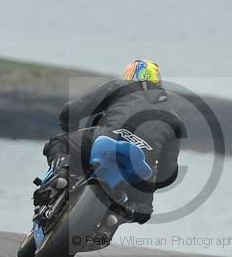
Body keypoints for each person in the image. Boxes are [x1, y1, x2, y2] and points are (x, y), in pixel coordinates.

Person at [35, 59, 183, 224]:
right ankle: (114, 220)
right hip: (139, 168)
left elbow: (74, 109)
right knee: (142, 209)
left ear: (132, 74)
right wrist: (152, 185)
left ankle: (62, 173)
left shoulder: (120, 87)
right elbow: (168, 171)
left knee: (60, 143)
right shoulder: (175, 119)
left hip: (107, 141)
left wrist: (68, 124)